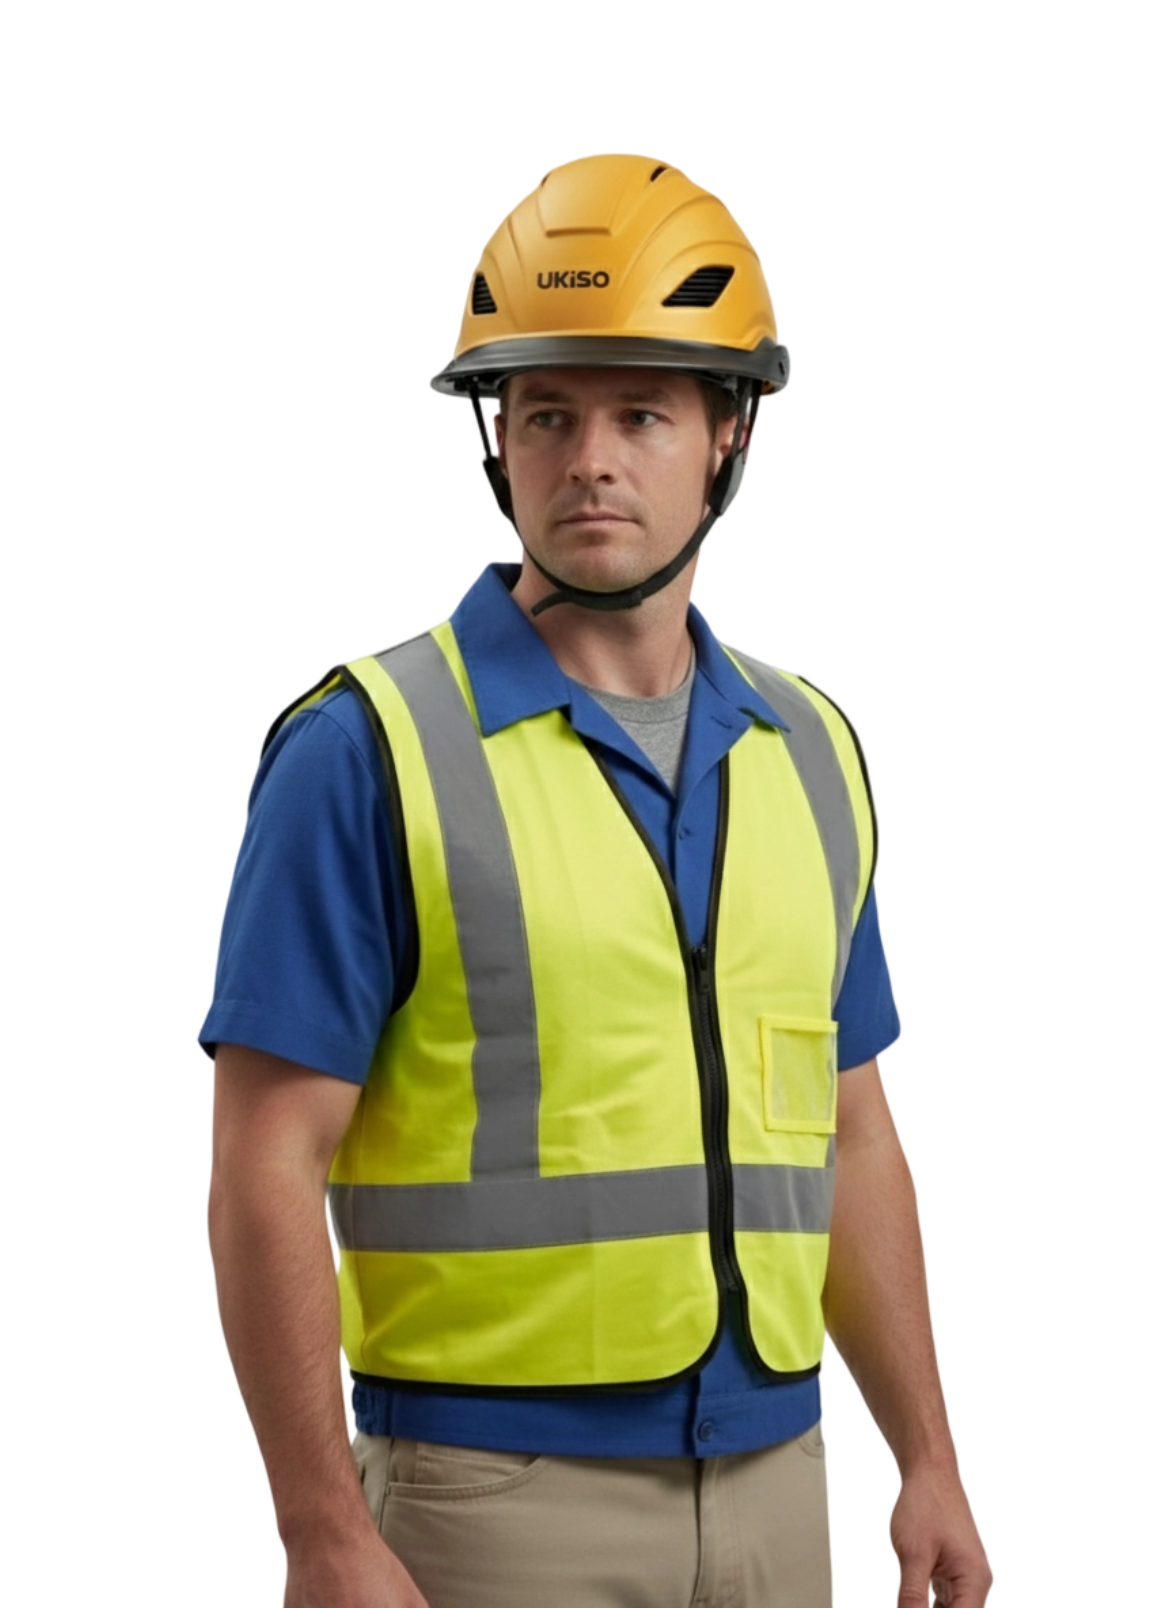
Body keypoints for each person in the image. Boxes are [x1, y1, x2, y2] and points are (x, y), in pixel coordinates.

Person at [204, 152, 994, 1608]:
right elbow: (265, 1158)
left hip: (781, 1485)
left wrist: (929, 1459)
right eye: (548, 414)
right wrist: (321, 1526)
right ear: (497, 439)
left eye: (641, 412)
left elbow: (852, 1131)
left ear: (730, 435)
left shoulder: (811, 750)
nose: (590, 461)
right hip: (486, 1502)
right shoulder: (367, 751)